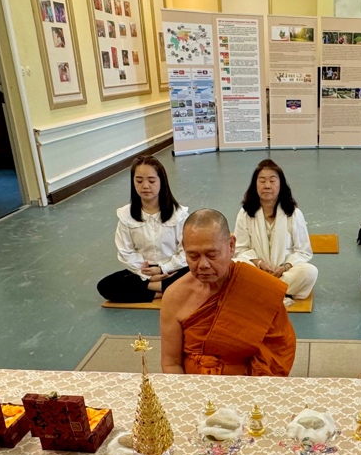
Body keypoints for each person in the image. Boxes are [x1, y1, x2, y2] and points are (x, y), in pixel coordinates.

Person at [160, 209, 295, 376]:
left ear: (231, 246)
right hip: (193, 384)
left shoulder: (260, 288)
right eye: (193, 256)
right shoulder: (174, 296)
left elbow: (278, 351)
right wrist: (188, 390)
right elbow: (171, 363)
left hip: (249, 385)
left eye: (212, 255)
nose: (203, 265)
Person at [96, 156, 189, 303]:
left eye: (151, 181)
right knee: (106, 286)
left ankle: (154, 290)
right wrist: (147, 275)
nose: (145, 186)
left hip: (173, 269)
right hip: (143, 271)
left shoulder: (179, 215)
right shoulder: (126, 216)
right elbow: (126, 252)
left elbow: (187, 251)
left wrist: (163, 269)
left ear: (162, 182)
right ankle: (165, 290)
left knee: (195, 275)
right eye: (139, 181)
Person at [234, 159, 317, 306]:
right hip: (257, 271)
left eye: (272, 181)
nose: (267, 185)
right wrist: (260, 263)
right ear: (255, 185)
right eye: (262, 181)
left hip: (283, 272)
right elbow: (240, 249)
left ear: (280, 185)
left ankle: (262, 291)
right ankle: (277, 290)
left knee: (309, 272)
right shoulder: (245, 213)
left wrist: (284, 267)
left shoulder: (293, 213)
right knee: (234, 266)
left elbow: (303, 251)